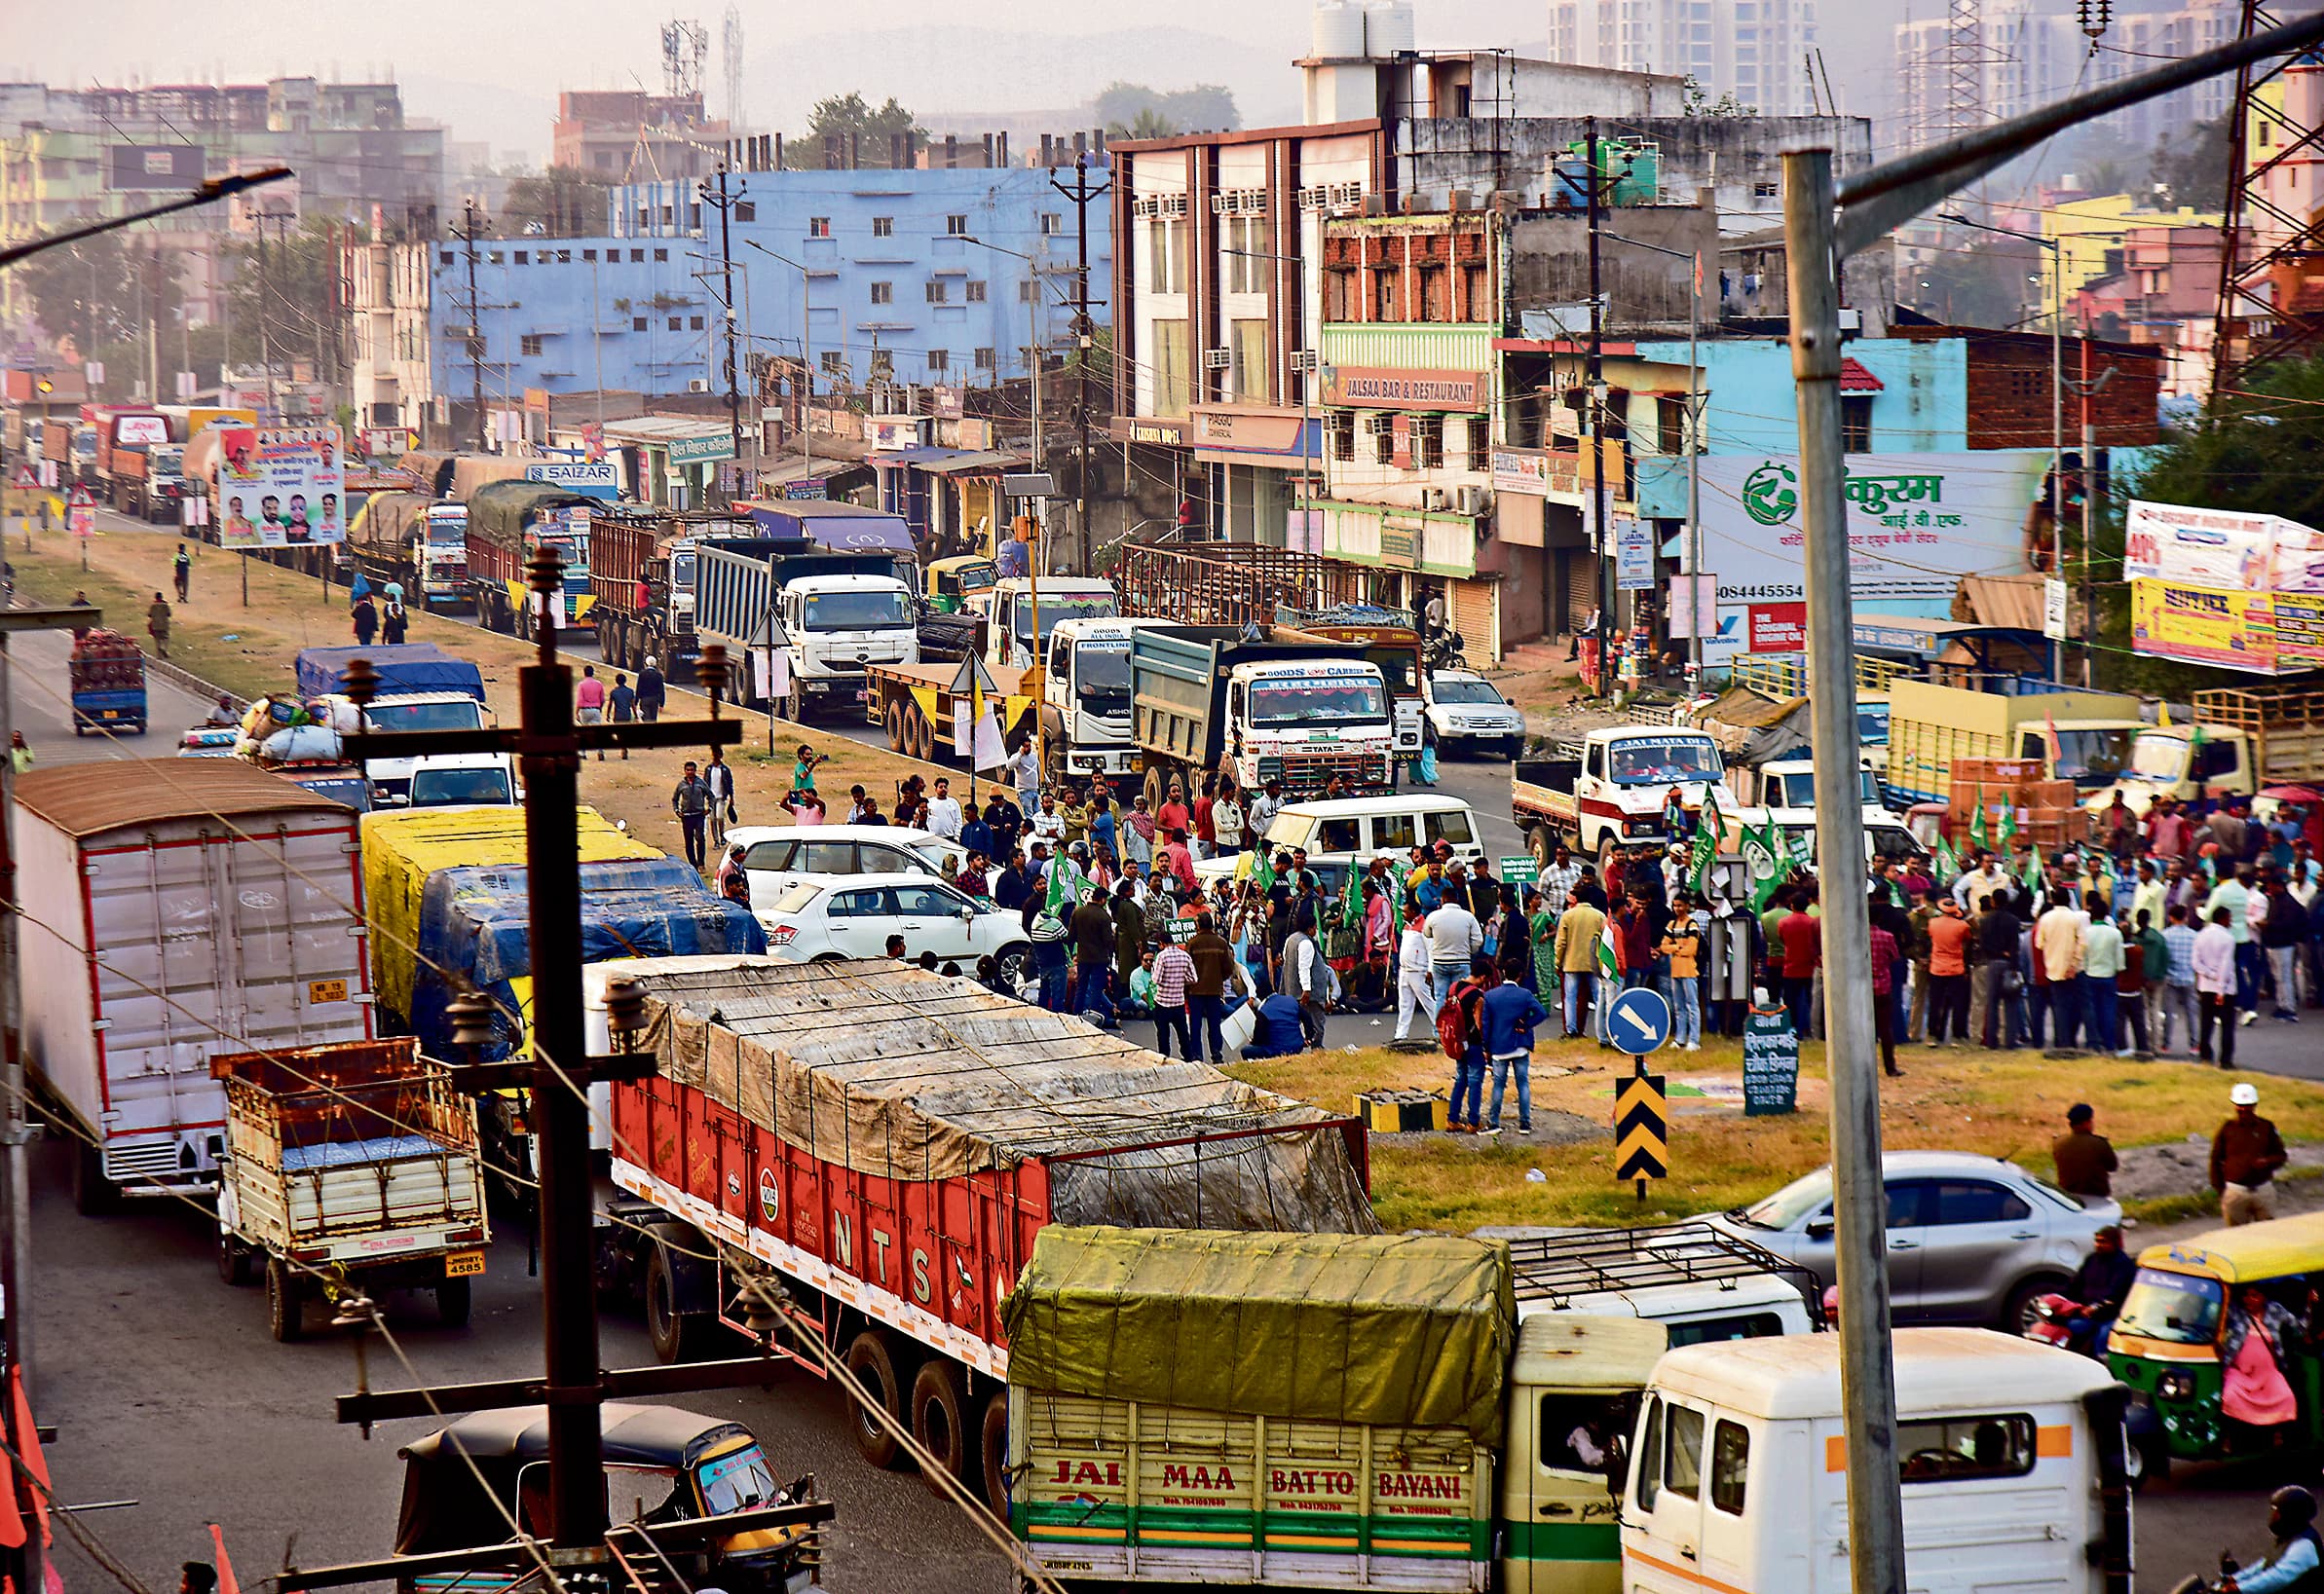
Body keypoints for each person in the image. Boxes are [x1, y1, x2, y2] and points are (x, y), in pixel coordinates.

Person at [2223, 1282, 2311, 1449]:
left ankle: (2277, 1436)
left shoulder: (2275, 1310)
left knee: (2286, 1397)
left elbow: (2301, 1328)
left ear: (2263, 1297)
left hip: (2268, 1373)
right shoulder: (2236, 1311)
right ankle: (2229, 1437)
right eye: (2246, 1295)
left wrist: (2310, 1305)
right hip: (2239, 1372)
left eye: (2254, 1295)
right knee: (2229, 1395)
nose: (2248, 1300)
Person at [1480, 967, 1549, 1135]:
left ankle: (1494, 1122)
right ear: (1519, 976)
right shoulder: (1525, 994)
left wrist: (1486, 1047)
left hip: (1499, 1047)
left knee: (1498, 1086)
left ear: (1504, 973)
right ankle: (1524, 1123)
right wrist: (1526, 1025)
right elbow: (1541, 1012)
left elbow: (1486, 1024)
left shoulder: (1490, 996)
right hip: (1520, 1045)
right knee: (1523, 1084)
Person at [2220, 1485, 2324, 1594]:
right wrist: (2235, 1579)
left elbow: (2278, 1576)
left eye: (2276, 1512)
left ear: (2290, 1515)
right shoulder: (2288, 1538)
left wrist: (2239, 1588)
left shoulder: (2304, 1545)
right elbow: (2264, 1565)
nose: (2273, 1517)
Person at [2215, 1082, 2290, 1226]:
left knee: (2268, 1235)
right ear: (2234, 1105)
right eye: (2240, 1106)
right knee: (2236, 1238)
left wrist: (2267, 1162)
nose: (2243, 1110)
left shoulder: (2266, 1127)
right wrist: (2221, 1190)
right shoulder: (2227, 1129)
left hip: (2263, 1191)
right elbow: (2215, 1161)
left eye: (2247, 1106)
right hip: (2235, 1193)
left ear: (2255, 1105)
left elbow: (2281, 1156)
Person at [2061, 1225, 2137, 1356]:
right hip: (2086, 1313)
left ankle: (2102, 1365)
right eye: (2097, 1241)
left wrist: (2095, 1307)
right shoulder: (2092, 1259)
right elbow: (2076, 1283)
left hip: (2112, 1315)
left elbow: (2116, 1293)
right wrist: (2061, 1299)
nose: (2098, 1245)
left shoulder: (2124, 1265)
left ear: (2114, 1243)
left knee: (2103, 1337)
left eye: (2103, 1242)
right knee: (2069, 1327)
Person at [1556, 886, 1610, 1042]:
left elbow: (1561, 943)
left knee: (1570, 998)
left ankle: (1571, 1030)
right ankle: (1605, 1029)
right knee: (1600, 997)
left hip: (1571, 962)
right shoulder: (1599, 916)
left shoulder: (1567, 916)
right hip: (1593, 963)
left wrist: (1558, 962)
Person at [1185, 913, 1236, 1065]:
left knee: (1195, 1025)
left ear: (1199, 925)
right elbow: (1229, 967)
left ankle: (1197, 1056)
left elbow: (1187, 968)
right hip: (1214, 990)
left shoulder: (1192, 943)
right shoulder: (1221, 943)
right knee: (1214, 1024)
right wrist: (1218, 979)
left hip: (1195, 990)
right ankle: (1216, 1054)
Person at [2197, 905, 2241, 1067]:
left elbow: (2195, 962)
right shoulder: (2228, 938)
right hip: (2225, 989)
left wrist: (2209, 973)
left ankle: (2205, 1055)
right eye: (2229, 918)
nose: (2230, 921)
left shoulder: (2201, 935)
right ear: (2223, 919)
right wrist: (2220, 989)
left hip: (2205, 986)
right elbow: (2226, 965)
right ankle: (2226, 1059)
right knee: (2227, 1025)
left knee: (2206, 1023)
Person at [1281, 907, 1329, 1052]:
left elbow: (1285, 958)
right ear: (1309, 928)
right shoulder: (1305, 943)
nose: (1316, 930)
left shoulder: (1291, 939)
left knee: (1294, 1020)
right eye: (1314, 927)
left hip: (1292, 989)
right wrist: (1307, 989)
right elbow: (1304, 967)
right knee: (1317, 1021)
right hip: (1308, 993)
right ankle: (1316, 1046)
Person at [2051, 1103, 2118, 1203]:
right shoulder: (2099, 1144)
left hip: (2068, 1198)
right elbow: (2113, 1166)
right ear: (2086, 1123)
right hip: (2096, 1197)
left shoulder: (2058, 1142)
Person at [1150, 935, 1197, 1059]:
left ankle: (1165, 1059)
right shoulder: (1185, 955)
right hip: (1178, 1002)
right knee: (1183, 1035)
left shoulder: (1162, 956)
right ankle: (1188, 1058)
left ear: (1161, 943)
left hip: (1162, 1002)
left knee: (1163, 1036)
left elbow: (1156, 979)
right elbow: (1193, 978)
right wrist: (1180, 980)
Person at [671, 760, 712, 871]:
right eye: (688, 770)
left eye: (692, 770)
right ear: (685, 771)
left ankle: (701, 863)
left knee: (700, 838)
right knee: (688, 841)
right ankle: (692, 865)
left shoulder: (701, 783)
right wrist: (676, 810)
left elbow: (710, 796)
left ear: (695, 771)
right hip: (686, 817)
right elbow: (675, 799)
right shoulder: (681, 785)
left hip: (699, 815)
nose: (690, 772)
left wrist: (710, 808)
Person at [704, 747, 736, 846]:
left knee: (719, 817)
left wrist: (731, 797)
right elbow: (705, 783)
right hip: (711, 798)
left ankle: (722, 835)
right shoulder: (709, 769)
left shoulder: (725, 770)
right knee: (712, 819)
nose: (715, 757)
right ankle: (716, 840)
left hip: (721, 797)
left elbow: (730, 784)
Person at [608, 672, 636, 757]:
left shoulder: (614, 692)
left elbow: (610, 704)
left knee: (619, 733)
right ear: (625, 681)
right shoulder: (630, 691)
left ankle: (622, 747)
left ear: (616, 681)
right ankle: (625, 747)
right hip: (627, 714)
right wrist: (636, 715)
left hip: (618, 715)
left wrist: (608, 714)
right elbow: (632, 705)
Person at [637, 655, 666, 723]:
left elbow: (639, 688)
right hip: (655, 699)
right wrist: (662, 704)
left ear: (646, 663)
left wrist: (636, 701)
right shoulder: (658, 675)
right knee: (653, 719)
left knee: (646, 718)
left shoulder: (642, 674)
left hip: (644, 699)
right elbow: (661, 690)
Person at [147, 591, 172, 658]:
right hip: (164, 624)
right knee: (166, 638)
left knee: (157, 640)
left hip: (155, 625)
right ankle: (164, 647)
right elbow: (169, 614)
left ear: (155, 597)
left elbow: (149, 615)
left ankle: (159, 656)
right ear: (162, 597)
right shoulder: (165, 605)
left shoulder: (153, 605)